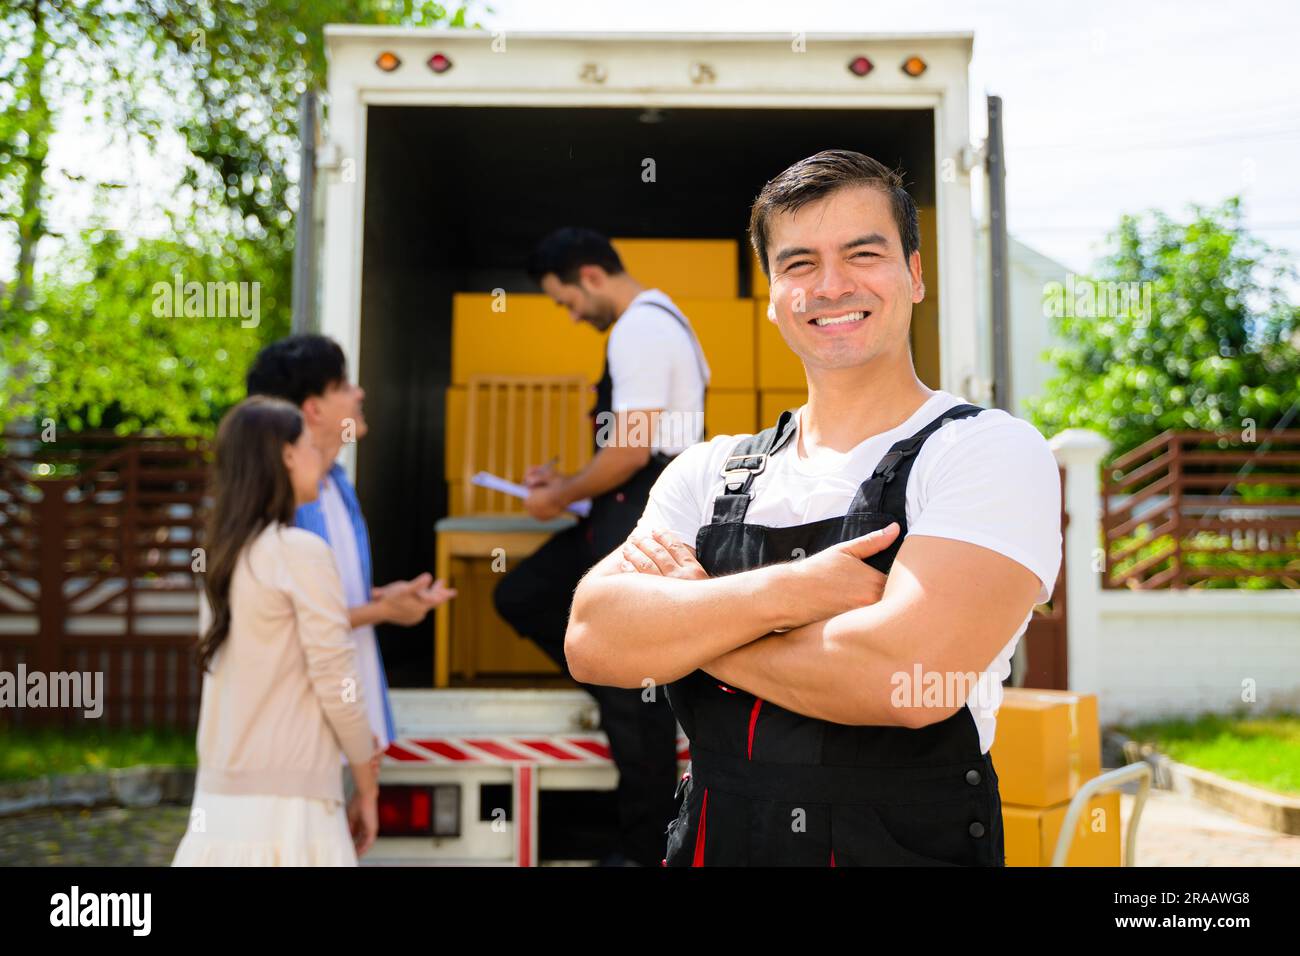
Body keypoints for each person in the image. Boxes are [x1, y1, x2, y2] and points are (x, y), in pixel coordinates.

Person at [565, 150, 1063, 866]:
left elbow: (909, 681)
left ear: (915, 275)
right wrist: (793, 591)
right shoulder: (710, 471)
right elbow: (594, 636)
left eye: (863, 254)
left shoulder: (985, 452)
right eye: (799, 264)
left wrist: (693, 624)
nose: (831, 286)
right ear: (773, 293)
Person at [493, 227, 710, 867]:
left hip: (639, 514)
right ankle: (618, 684)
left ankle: (643, 852)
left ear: (590, 276)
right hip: (626, 508)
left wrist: (558, 497)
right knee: (526, 596)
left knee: (628, 698)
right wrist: (567, 485)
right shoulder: (664, 318)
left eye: (565, 300)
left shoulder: (638, 328)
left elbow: (632, 450)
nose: (571, 313)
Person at [173, 396, 380, 865]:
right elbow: (337, 681)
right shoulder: (300, 552)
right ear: (286, 455)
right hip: (293, 811)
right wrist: (366, 782)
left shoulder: (223, 558)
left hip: (220, 806)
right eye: (309, 444)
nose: (321, 455)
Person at [246, 334, 455, 755]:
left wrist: (382, 597)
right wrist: (382, 611)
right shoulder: (277, 507)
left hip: (355, 723)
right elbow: (290, 621)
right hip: (308, 735)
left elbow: (330, 599)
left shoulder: (338, 487)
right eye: (343, 386)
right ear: (313, 409)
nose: (360, 393)